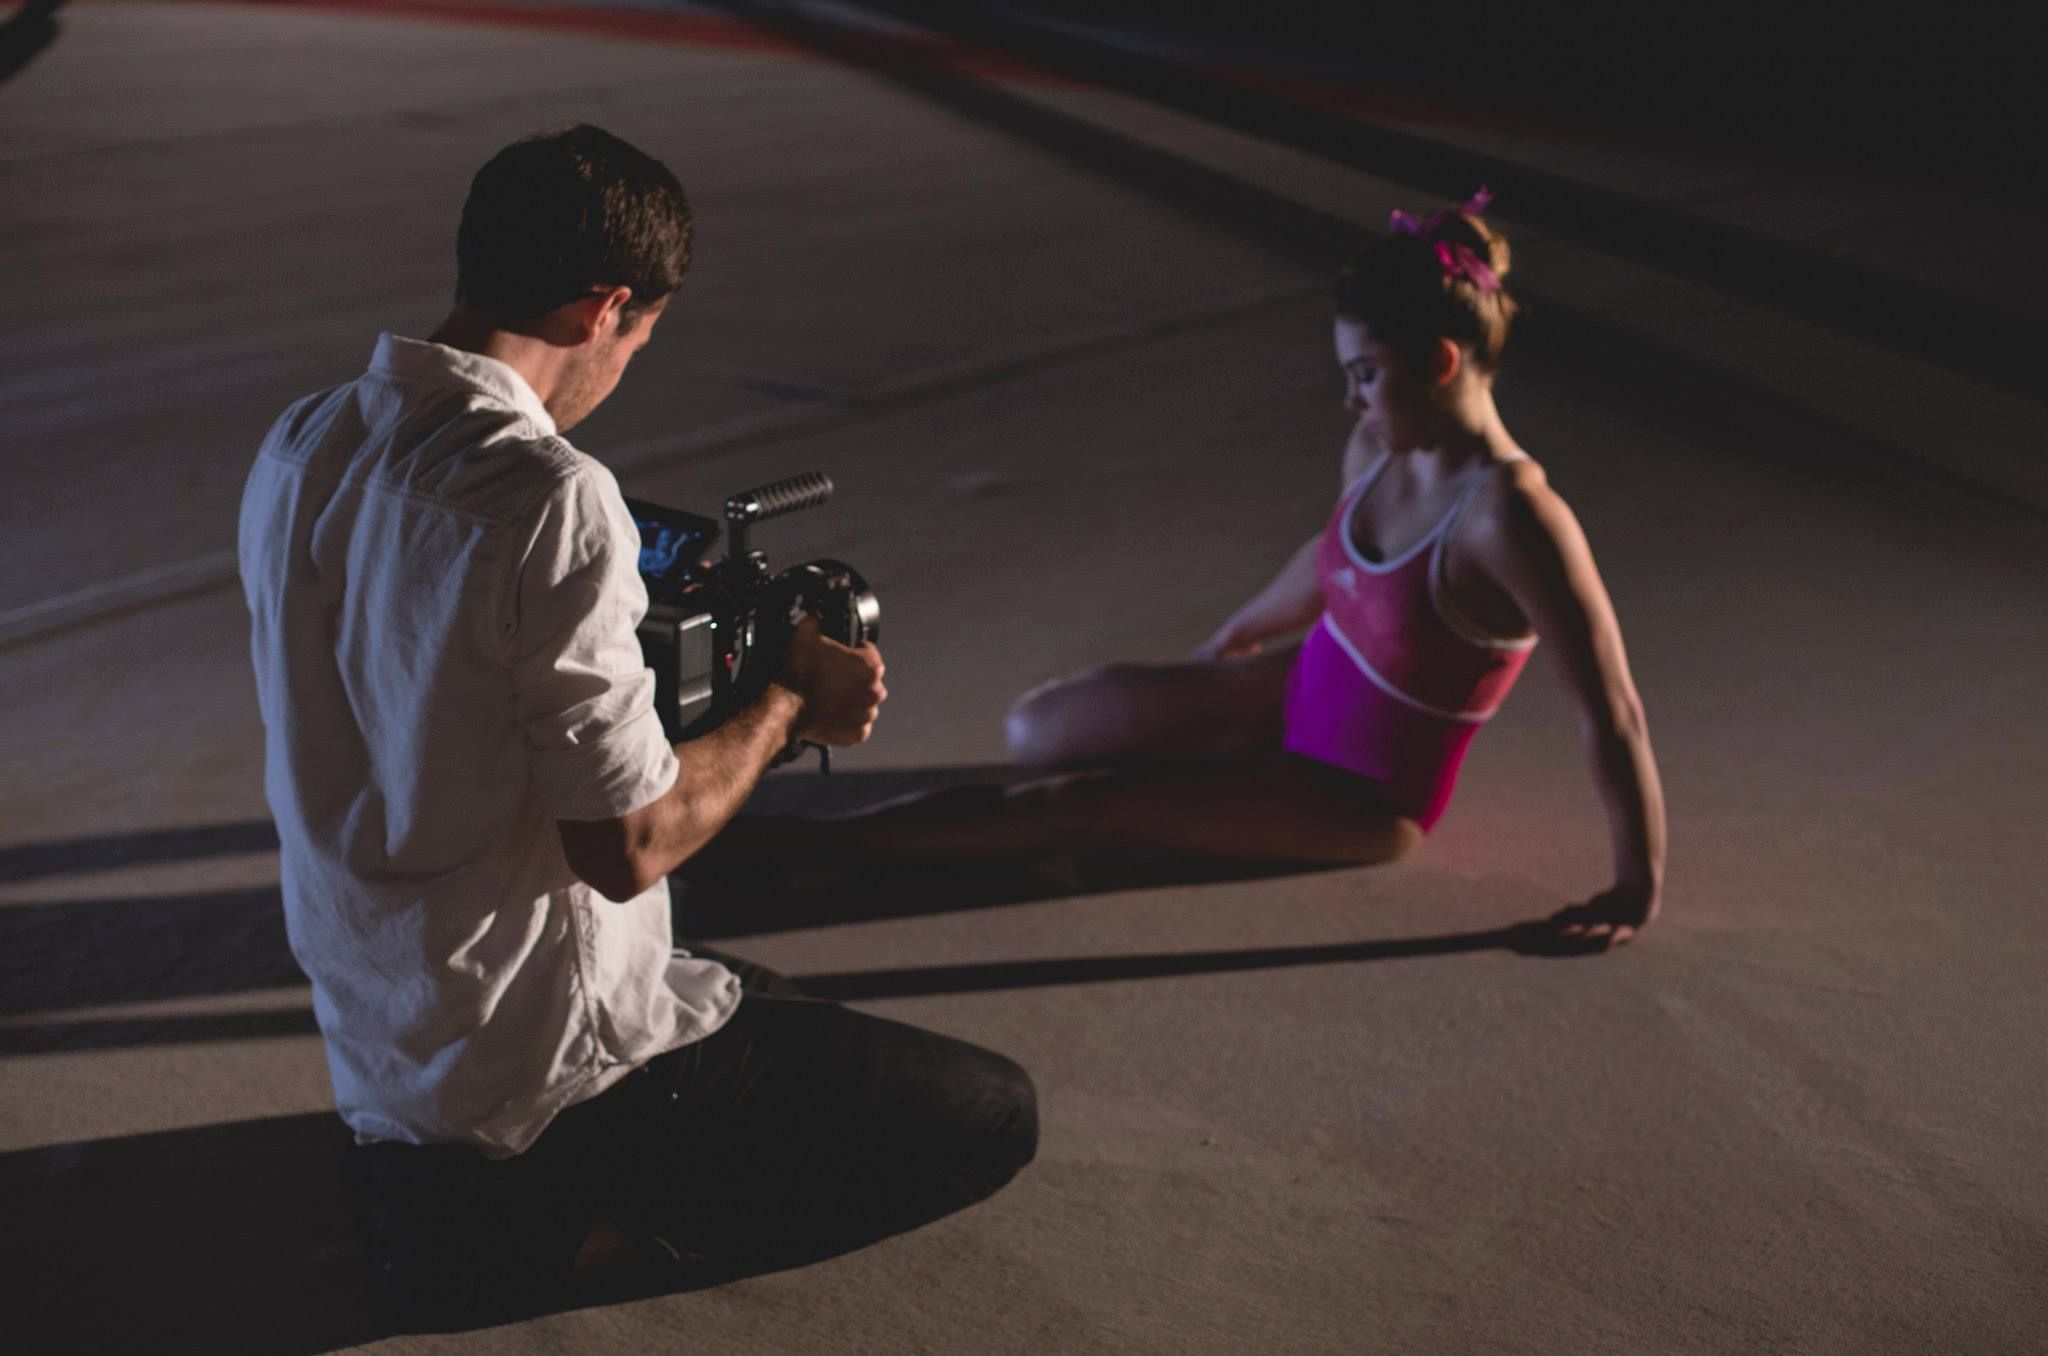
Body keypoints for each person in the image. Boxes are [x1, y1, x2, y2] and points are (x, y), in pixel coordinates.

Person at [236, 124, 1036, 1327]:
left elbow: (424, 684)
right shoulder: (552, 496)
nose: (631, 361)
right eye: (644, 334)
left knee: (763, 994)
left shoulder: (302, 439)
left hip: (383, 1025)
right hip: (543, 1066)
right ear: (605, 305)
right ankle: (539, 1237)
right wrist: (785, 703)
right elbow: (630, 849)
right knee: (991, 1113)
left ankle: (432, 1177)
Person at [726, 193, 1666, 951]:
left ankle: (807, 842)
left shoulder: (1514, 518)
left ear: (1442, 361)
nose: (1351, 398)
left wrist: (1633, 886)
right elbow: (1330, 555)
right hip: (1286, 692)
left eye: (1365, 373)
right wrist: (1246, 630)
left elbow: (1611, 706)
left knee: (1075, 804)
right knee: (1038, 727)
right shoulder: (1380, 444)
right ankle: (1212, 765)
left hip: (1356, 797)